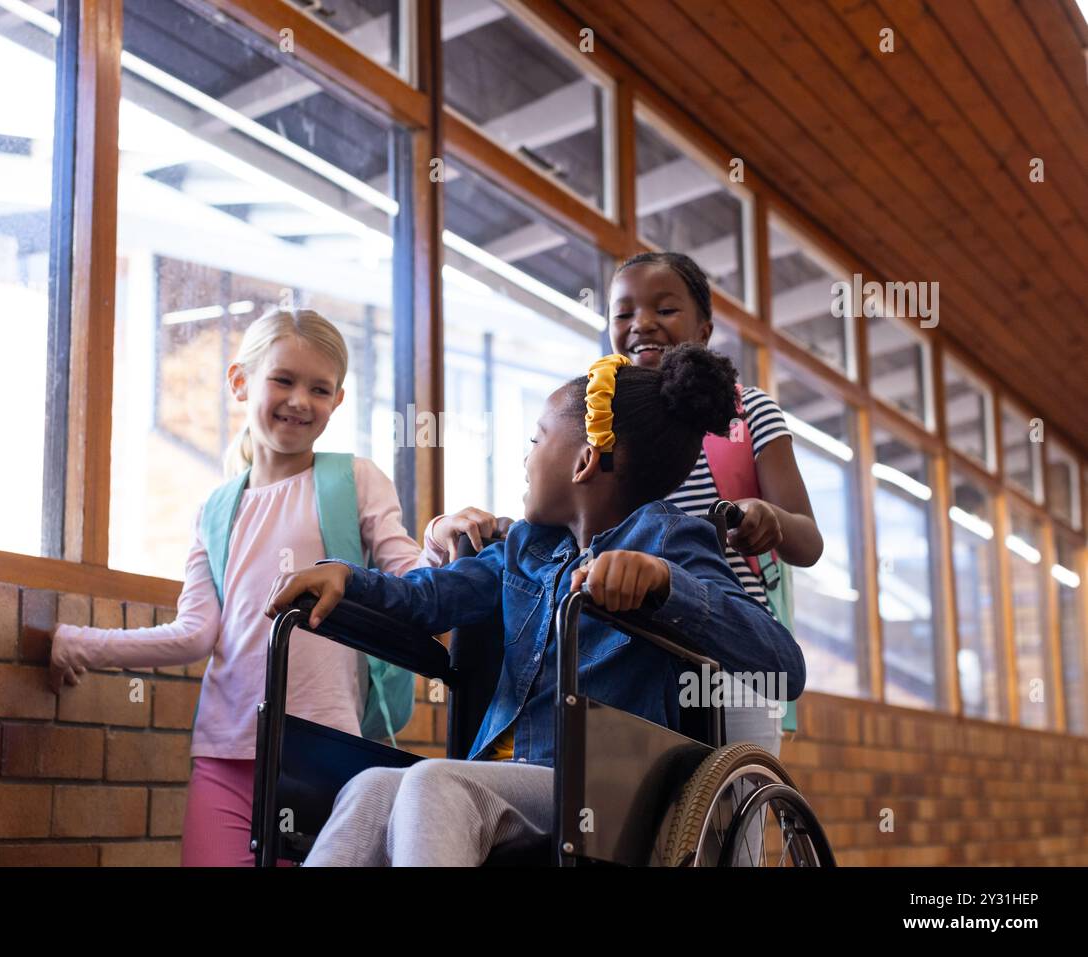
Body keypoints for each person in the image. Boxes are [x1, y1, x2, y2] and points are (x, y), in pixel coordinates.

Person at [265, 344, 806, 866]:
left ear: (585, 461)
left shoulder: (669, 540)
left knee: (434, 781)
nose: (525, 458)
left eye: (536, 439)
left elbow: (783, 663)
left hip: (606, 789)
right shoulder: (526, 547)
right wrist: (345, 579)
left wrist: (667, 585)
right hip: (500, 780)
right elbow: (426, 599)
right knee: (373, 787)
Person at [46, 308, 500, 866]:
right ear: (240, 381)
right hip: (224, 752)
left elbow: (410, 583)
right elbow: (195, 635)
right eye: (283, 380)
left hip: (320, 751)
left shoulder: (354, 480)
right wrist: (78, 644)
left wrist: (437, 537)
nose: (300, 400)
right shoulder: (216, 509)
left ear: (337, 401)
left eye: (320, 389)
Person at [608, 251, 823, 754]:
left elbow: (808, 542)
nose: (642, 324)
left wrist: (768, 517)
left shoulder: (748, 412)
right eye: (623, 313)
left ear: (704, 330)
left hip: (732, 645)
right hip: (629, 647)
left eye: (665, 310)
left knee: (726, 814)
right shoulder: (607, 423)